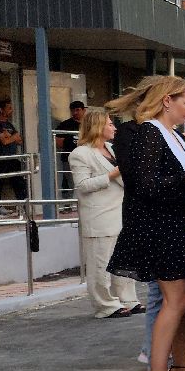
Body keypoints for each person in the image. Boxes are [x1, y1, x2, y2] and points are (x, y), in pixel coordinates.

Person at [106, 76, 185, 371]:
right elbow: (147, 185)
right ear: (166, 100)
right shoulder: (151, 132)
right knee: (174, 298)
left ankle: (180, 368)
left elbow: (173, 182)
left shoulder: (172, 137)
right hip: (158, 227)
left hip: (174, 224)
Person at [69, 108, 143, 318]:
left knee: (125, 260)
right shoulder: (80, 153)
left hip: (121, 213)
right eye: (110, 124)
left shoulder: (113, 148)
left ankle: (128, 299)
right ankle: (106, 305)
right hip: (99, 217)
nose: (114, 127)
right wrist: (113, 174)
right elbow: (82, 185)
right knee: (100, 264)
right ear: (98, 126)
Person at [0, 96, 27, 212]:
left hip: (12, 158)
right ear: (1, 110)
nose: (11, 110)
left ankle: (23, 204)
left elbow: (20, 141)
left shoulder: (10, 125)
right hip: (0, 158)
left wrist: (10, 136)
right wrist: (12, 137)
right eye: (9, 108)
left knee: (19, 181)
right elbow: (4, 141)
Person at [57, 100, 86, 199]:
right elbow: (57, 142)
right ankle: (67, 205)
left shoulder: (88, 124)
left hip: (86, 157)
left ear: (84, 110)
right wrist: (72, 141)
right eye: (73, 110)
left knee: (85, 180)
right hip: (68, 157)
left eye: (77, 110)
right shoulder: (65, 124)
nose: (75, 113)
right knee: (68, 180)